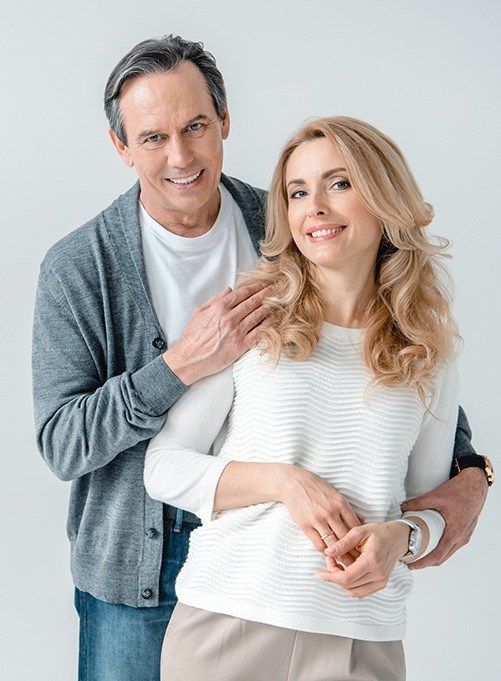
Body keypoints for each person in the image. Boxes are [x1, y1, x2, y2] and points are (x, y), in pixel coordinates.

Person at [32, 34, 490, 681]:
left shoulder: (288, 226)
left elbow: (385, 379)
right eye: (153, 137)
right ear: (121, 146)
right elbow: (60, 443)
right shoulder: (80, 268)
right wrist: (178, 367)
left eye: (195, 126)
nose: (181, 155)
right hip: (137, 569)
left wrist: (471, 474)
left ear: (223, 121)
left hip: (321, 594)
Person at [144, 115, 486, 681]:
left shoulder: (429, 349)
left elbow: (425, 500)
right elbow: (163, 467)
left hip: (364, 638)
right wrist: (284, 482)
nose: (314, 207)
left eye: (340, 183)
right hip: (229, 624)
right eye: (297, 192)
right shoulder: (251, 316)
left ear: (384, 197)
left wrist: (401, 537)